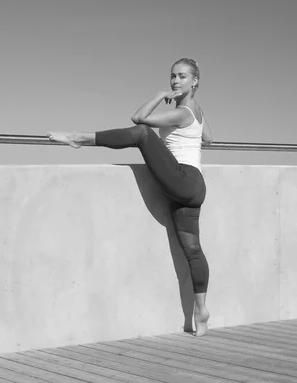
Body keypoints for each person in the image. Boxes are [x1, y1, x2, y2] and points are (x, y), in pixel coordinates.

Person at [47, 58, 213, 337]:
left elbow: (139, 120)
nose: (175, 81)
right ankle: (202, 312)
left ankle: (79, 138)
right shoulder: (197, 111)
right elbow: (208, 139)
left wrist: (159, 96)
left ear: (195, 81)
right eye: (172, 77)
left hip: (182, 179)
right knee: (193, 250)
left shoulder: (183, 112)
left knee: (143, 135)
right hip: (193, 186)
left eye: (182, 77)